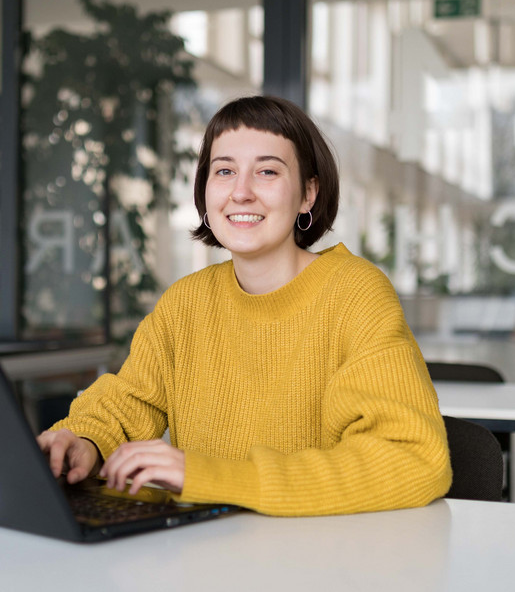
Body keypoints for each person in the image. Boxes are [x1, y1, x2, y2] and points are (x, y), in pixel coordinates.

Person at [37, 95, 451, 516]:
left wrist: (212, 477)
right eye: (224, 171)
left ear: (308, 193)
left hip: (316, 559)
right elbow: (128, 403)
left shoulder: (354, 293)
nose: (241, 192)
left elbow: (413, 458)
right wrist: (82, 441)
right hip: (203, 554)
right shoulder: (186, 302)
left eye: (267, 171)